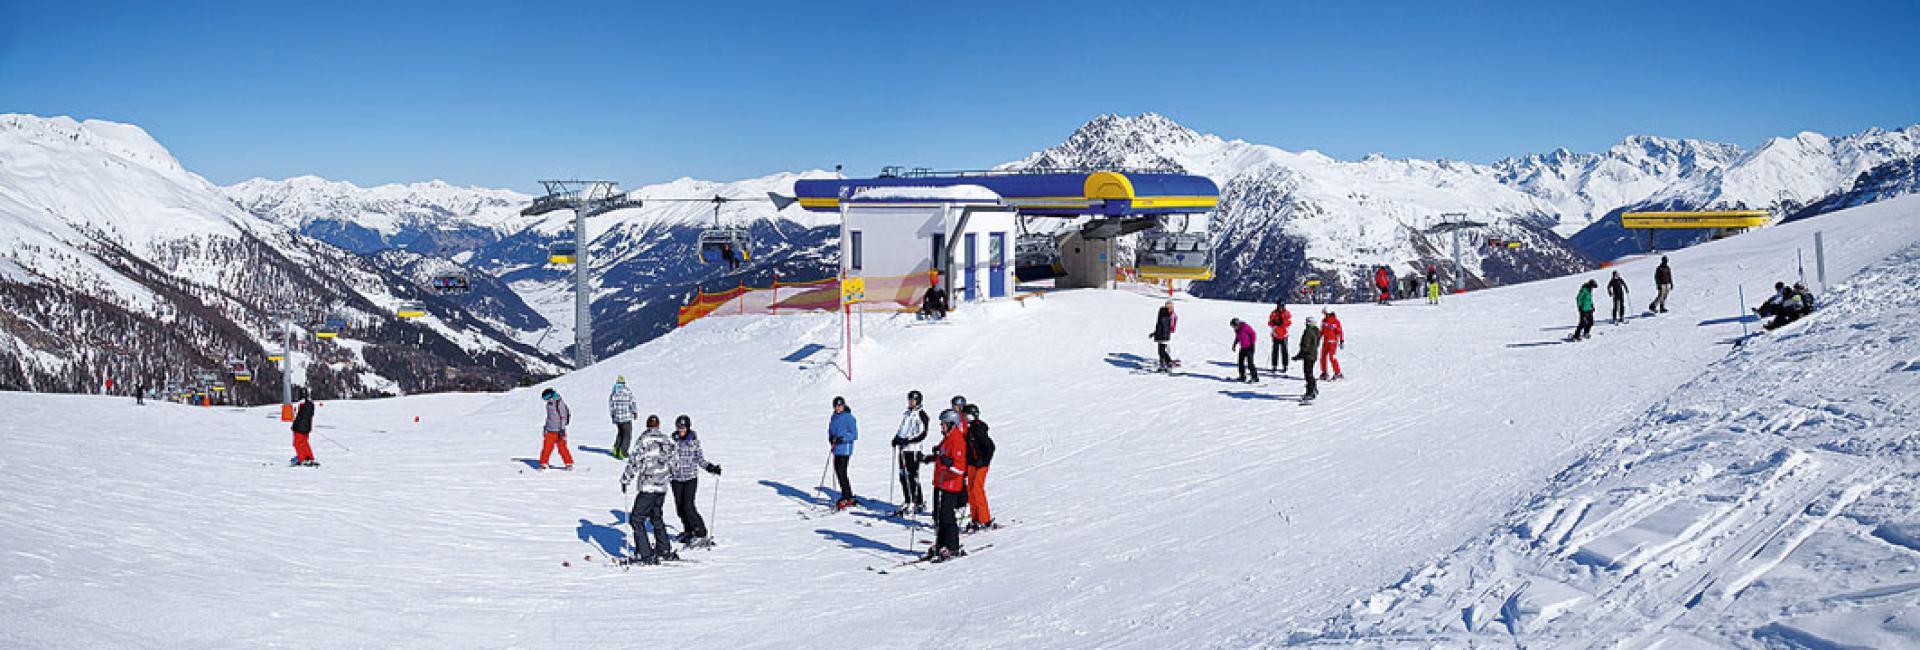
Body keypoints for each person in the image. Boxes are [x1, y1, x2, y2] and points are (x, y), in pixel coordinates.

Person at [619, 415, 675, 565]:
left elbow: (634, 461)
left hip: (648, 486)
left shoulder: (643, 440)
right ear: (659, 425)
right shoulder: (666, 440)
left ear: (647, 425)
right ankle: (664, 549)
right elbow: (674, 462)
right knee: (656, 516)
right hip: (662, 487)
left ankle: (645, 554)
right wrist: (668, 476)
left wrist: (625, 479)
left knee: (636, 519)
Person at [667, 414, 721, 545]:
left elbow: (699, 459)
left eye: (683, 428)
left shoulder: (693, 440)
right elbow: (668, 457)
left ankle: (701, 533)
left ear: (688, 428)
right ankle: (689, 530)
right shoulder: (673, 440)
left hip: (690, 478)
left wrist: (710, 467)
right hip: (676, 479)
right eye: (679, 427)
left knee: (688, 507)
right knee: (679, 508)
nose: (680, 430)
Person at [923, 409, 970, 562]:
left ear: (951, 424)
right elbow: (942, 457)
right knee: (938, 516)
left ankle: (953, 547)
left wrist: (948, 463)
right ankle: (941, 544)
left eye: (943, 424)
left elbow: (960, 468)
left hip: (951, 485)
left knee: (947, 517)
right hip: (941, 483)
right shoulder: (948, 439)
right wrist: (929, 458)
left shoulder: (957, 441)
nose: (941, 427)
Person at [891, 390, 931, 518]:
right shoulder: (907, 414)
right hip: (903, 450)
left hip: (913, 450)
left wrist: (908, 440)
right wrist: (897, 438)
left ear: (918, 401)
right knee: (903, 476)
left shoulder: (922, 415)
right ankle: (908, 500)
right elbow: (902, 429)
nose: (911, 402)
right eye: (910, 400)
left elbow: (923, 434)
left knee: (912, 476)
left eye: (913, 400)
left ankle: (917, 501)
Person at [962, 403, 996, 531]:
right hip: (972, 464)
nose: (964, 418)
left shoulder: (978, 428)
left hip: (980, 465)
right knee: (970, 491)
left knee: (977, 489)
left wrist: (984, 461)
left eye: (967, 416)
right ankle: (975, 518)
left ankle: (984, 519)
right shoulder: (969, 429)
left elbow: (990, 447)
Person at [828, 396, 859, 509]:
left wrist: (842, 439)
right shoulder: (834, 417)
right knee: (839, 472)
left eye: (840, 406)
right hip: (836, 449)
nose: (838, 408)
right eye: (836, 406)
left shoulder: (849, 417)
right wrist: (831, 438)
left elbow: (854, 434)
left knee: (842, 472)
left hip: (845, 449)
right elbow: (830, 430)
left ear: (844, 405)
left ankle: (847, 496)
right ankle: (848, 495)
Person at [539, 388, 574, 470]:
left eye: (546, 398)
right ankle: (543, 463)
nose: (545, 401)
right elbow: (549, 417)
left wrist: (562, 429)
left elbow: (563, 417)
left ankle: (568, 463)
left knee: (562, 448)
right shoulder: (549, 404)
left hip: (559, 430)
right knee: (546, 448)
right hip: (550, 430)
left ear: (550, 396)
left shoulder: (559, 403)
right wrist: (545, 428)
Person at [608, 376, 637, 460]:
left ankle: (616, 449)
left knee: (620, 433)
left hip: (617, 418)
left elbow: (611, 406)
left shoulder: (614, 393)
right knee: (627, 435)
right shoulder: (627, 392)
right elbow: (632, 403)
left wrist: (613, 415)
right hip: (626, 417)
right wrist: (634, 412)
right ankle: (623, 452)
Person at [1296, 317, 1322, 401]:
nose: (1305, 323)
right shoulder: (1316, 330)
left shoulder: (1308, 331)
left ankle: (1310, 392)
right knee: (1310, 372)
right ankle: (1313, 388)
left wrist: (1300, 355)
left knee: (1308, 373)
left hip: (1308, 356)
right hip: (1313, 355)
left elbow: (1305, 345)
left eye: (1307, 322)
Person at [290, 393, 317, 467]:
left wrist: (294, 426)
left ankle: (302, 458)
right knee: (304, 442)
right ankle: (309, 457)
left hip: (300, 428)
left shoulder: (302, 405)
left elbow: (300, 417)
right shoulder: (310, 405)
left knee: (297, 443)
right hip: (306, 427)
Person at [1150, 300, 1178, 372]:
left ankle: (1167, 363)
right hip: (1164, 335)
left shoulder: (1168, 315)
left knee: (1163, 351)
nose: (1167, 308)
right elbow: (1160, 326)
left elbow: (1165, 326)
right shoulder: (1166, 315)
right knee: (1162, 351)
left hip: (1165, 335)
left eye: (1168, 306)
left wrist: (1157, 333)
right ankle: (1165, 363)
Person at [1231, 318, 1259, 383]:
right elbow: (1237, 337)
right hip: (1243, 347)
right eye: (1232, 327)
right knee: (1240, 363)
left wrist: (1252, 344)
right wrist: (1234, 344)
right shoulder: (1237, 330)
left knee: (1250, 363)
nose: (1233, 328)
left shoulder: (1245, 327)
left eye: (1234, 326)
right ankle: (1242, 376)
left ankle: (1255, 378)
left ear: (1237, 324)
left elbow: (1253, 334)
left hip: (1249, 347)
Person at [1319, 309, 1344, 381]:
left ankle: (1338, 373)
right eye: (1324, 313)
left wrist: (1341, 340)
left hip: (1333, 342)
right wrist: (1318, 338)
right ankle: (1324, 372)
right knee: (1322, 357)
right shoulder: (1324, 320)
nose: (1325, 315)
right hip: (1325, 342)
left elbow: (1340, 332)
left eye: (1326, 313)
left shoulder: (1336, 321)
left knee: (1332, 357)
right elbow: (1322, 331)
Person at [1267, 300, 1292, 374]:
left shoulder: (1287, 313)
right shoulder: (1274, 313)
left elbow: (1289, 322)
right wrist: (1274, 323)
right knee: (1275, 351)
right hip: (1275, 335)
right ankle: (1274, 365)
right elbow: (1269, 323)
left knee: (1284, 351)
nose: (1280, 307)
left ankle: (1285, 365)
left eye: (1282, 306)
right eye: (1279, 306)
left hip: (1284, 335)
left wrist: (1282, 322)